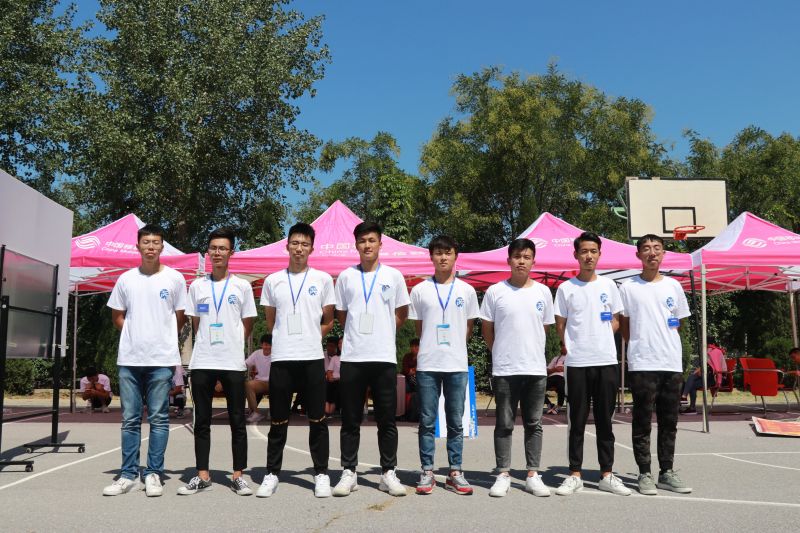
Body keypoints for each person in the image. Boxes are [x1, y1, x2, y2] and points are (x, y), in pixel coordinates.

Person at [103, 224, 187, 497]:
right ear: (138, 246)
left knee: (159, 419)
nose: (151, 246)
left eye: (156, 242)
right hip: (130, 359)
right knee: (130, 419)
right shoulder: (126, 279)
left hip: (162, 359)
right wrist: (135, 335)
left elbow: (180, 317)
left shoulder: (175, 278)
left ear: (162, 246)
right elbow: (117, 317)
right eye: (146, 242)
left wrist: (160, 338)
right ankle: (128, 475)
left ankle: (153, 473)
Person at [331, 221, 410, 497]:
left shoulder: (394, 276)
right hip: (353, 357)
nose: (367, 245)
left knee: (386, 420)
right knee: (350, 418)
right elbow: (342, 315)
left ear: (380, 244)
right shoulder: (346, 277)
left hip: (383, 357)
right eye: (362, 241)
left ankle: (388, 472)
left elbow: (401, 313)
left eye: (372, 240)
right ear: (356, 245)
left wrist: (383, 331)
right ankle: (349, 472)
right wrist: (358, 333)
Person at [256, 222, 335, 498]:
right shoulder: (273, 281)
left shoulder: (323, 279)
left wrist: (311, 336)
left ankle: (321, 473)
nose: (299, 248)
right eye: (295, 243)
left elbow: (328, 320)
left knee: (318, 419)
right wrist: (287, 339)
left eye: (304, 244)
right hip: (283, 358)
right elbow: (271, 320)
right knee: (278, 419)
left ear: (312, 248)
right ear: (287, 246)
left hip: (311, 358)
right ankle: (271, 473)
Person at [178, 227, 257, 497]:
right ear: (208, 252)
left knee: (237, 420)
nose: (218, 252)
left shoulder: (242, 286)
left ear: (231, 252)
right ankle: (202, 475)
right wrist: (208, 343)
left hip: (233, 362)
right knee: (202, 420)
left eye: (223, 248)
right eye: (213, 248)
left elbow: (248, 323)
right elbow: (195, 322)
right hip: (202, 361)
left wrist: (231, 342)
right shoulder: (197, 286)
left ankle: (238, 476)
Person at [553, 231, 630, 496]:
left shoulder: (609, 286)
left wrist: (602, 337)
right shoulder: (566, 288)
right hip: (577, 363)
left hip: (606, 361)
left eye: (593, 251)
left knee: (605, 421)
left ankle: (606, 474)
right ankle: (574, 473)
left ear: (599, 254)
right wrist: (573, 345)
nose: (589, 256)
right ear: (576, 255)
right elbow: (560, 324)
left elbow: (617, 320)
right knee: (576, 420)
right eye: (584, 251)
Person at [619, 234, 693, 496]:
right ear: (638, 254)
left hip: (671, 363)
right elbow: (625, 327)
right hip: (642, 363)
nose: (652, 253)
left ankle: (666, 472)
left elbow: (678, 322)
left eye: (657, 248)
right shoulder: (628, 287)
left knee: (669, 421)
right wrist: (640, 346)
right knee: (642, 420)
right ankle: (644, 473)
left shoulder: (674, 285)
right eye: (647, 249)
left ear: (663, 254)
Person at [481, 238, 554, 498]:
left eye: (526, 257)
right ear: (508, 260)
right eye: (517, 257)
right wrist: (500, 352)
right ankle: (503, 474)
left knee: (534, 423)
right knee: (504, 424)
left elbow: (544, 329)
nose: (521, 261)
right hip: (505, 369)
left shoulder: (543, 292)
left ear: (533, 261)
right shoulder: (495, 291)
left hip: (535, 369)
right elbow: (487, 329)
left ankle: (532, 474)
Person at [409, 235, 479, 495]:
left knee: (455, 421)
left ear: (455, 256)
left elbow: (468, 327)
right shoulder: (420, 290)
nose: (443, 257)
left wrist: (454, 347)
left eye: (447, 252)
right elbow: (419, 328)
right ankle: (427, 470)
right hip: (428, 363)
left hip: (456, 364)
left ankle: (455, 471)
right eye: (438, 253)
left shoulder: (467, 290)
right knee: (427, 420)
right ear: (431, 257)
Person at [681, 341, 726, 414]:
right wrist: (698, 371)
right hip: (707, 376)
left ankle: (686, 400)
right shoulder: (711, 351)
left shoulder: (713, 352)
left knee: (691, 379)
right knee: (692, 381)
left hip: (714, 378)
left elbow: (722, 369)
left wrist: (699, 371)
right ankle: (689, 404)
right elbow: (704, 367)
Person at [245, 334, 272, 423]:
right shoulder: (257, 353)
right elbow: (245, 364)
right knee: (248, 385)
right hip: (260, 382)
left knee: (278, 384)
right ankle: (255, 413)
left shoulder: (276, 354)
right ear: (261, 345)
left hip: (273, 382)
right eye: (265, 344)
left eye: (270, 345)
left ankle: (273, 411)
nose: (267, 347)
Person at [546, 343, 567, 414]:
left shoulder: (571, 359)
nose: (562, 348)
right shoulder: (556, 358)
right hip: (552, 377)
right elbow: (547, 370)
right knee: (539, 387)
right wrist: (555, 369)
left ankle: (559, 406)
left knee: (561, 386)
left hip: (563, 377)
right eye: (561, 346)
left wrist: (564, 369)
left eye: (564, 346)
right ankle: (549, 404)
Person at [324, 336, 340, 416]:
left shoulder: (339, 357)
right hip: (326, 380)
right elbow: (328, 371)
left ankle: (334, 407)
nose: (329, 348)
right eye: (328, 345)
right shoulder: (322, 355)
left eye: (332, 346)